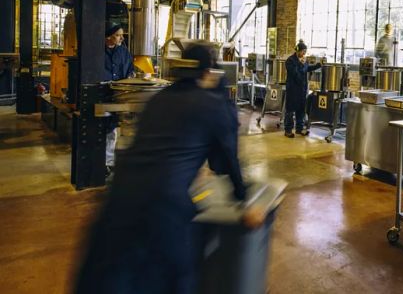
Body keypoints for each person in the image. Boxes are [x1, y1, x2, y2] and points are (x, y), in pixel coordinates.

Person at [75, 43, 253, 294]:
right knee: (175, 279)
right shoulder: (211, 104)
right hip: (164, 209)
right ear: (208, 72)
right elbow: (224, 163)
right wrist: (244, 198)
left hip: (117, 201)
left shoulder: (158, 99)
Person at [104, 23, 134, 174]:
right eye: (118, 35)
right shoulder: (97, 51)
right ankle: (100, 160)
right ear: (108, 37)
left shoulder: (123, 52)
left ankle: (108, 162)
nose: (122, 37)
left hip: (117, 95)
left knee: (112, 129)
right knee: (99, 128)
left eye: (122, 34)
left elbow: (130, 70)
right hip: (101, 94)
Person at [284, 41, 322, 138]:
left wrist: (318, 65)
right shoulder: (290, 61)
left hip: (302, 89)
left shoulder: (303, 60)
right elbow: (296, 74)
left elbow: (306, 69)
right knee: (290, 110)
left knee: (301, 110)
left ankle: (299, 129)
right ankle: (288, 130)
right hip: (293, 89)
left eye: (305, 51)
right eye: (303, 51)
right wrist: (301, 64)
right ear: (298, 51)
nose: (304, 53)